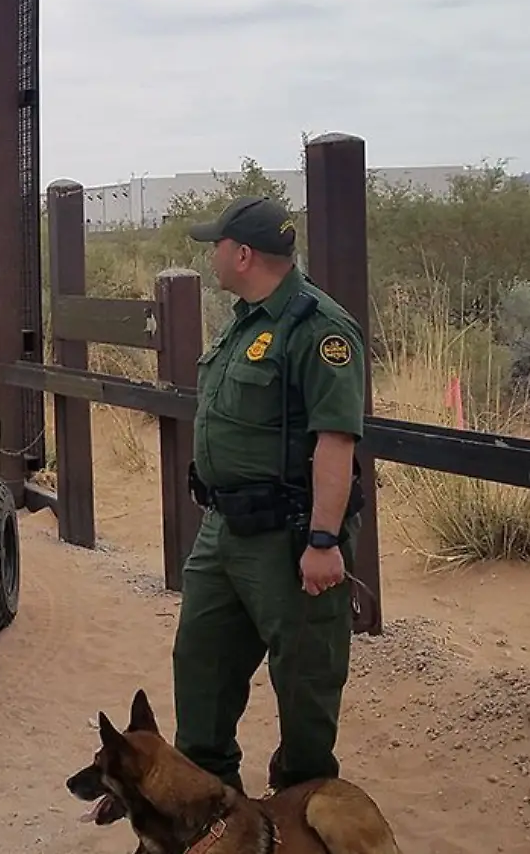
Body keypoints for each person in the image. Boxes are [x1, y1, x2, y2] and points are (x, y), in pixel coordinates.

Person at [169, 194, 367, 798]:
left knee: (305, 679)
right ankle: (206, 803)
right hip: (223, 529)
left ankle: (302, 806)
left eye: (217, 246)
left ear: (245, 253)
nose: (212, 256)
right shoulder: (246, 319)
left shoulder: (320, 328)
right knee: (200, 662)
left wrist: (324, 541)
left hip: (288, 538)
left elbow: (337, 440)